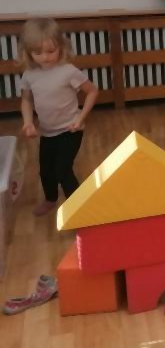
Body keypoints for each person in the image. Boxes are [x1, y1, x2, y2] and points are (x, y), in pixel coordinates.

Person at [18, 18, 99, 216]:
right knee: (46, 170)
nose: (45, 57)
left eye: (50, 51)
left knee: (63, 169)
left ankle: (80, 209)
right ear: (28, 52)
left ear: (61, 47)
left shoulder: (68, 72)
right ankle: (51, 199)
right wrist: (28, 122)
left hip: (71, 129)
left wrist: (80, 118)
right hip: (47, 132)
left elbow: (92, 91)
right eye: (38, 53)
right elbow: (26, 100)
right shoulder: (29, 75)